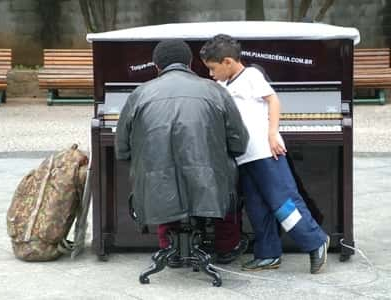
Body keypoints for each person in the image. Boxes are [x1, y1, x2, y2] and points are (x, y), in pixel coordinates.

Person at [199, 34, 330, 274]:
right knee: (256, 207)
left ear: (228, 62)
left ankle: (316, 240)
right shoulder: (221, 85)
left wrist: (272, 133)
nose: (210, 73)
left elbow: (273, 101)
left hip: (264, 152)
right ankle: (268, 253)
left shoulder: (251, 76)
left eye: (212, 68)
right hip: (243, 157)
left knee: (283, 203)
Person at [115, 39, 249, 265]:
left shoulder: (139, 93)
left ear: (157, 66)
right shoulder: (215, 90)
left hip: (157, 185)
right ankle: (226, 246)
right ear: (190, 63)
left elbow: (121, 148)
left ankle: (169, 247)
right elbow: (239, 142)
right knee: (224, 171)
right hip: (207, 180)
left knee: (161, 173)